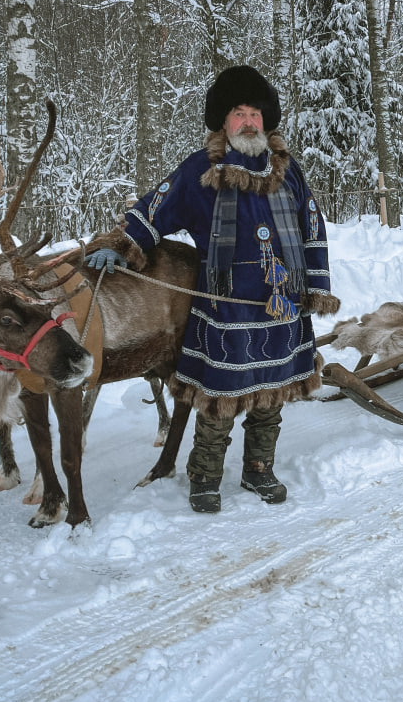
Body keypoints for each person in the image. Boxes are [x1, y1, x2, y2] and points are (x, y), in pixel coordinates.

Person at [86, 65, 339, 512]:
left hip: (282, 305)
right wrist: (121, 245)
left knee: (272, 393)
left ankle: (259, 468)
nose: (248, 122)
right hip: (227, 308)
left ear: (267, 119)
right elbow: (154, 209)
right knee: (219, 397)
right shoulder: (201, 172)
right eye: (238, 113)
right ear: (223, 121)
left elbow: (312, 227)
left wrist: (315, 287)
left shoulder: (288, 171)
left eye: (255, 113)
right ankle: (205, 475)